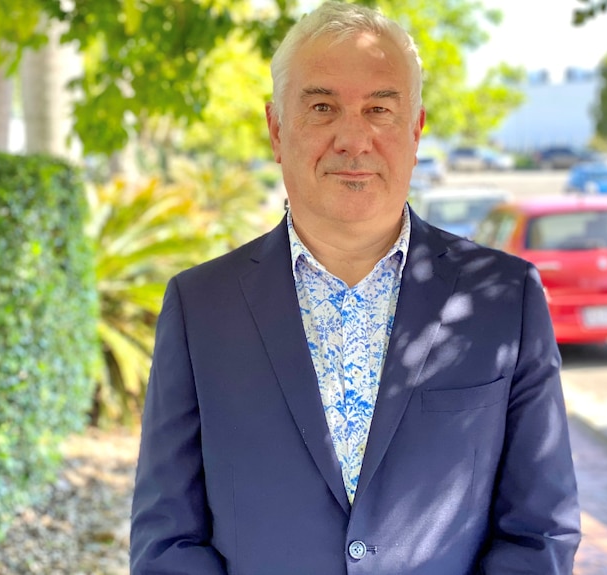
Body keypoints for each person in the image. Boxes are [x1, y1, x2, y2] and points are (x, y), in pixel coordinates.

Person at [129, 2, 581, 573]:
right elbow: (166, 539)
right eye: (322, 107)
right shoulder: (199, 307)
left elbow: (540, 531)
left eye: (379, 109)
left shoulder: (505, 297)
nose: (353, 138)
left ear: (416, 131)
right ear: (275, 127)